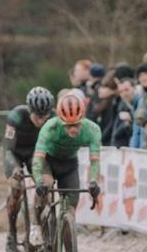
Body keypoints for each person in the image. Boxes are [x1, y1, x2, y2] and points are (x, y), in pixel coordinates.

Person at [31, 89, 102, 224]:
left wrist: (93, 181)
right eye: (68, 126)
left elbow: (95, 160)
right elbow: (38, 158)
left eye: (76, 125)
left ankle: (67, 236)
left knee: (70, 210)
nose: (73, 130)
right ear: (60, 121)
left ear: (83, 119)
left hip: (69, 164)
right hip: (49, 161)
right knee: (47, 184)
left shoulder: (93, 130)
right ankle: (36, 226)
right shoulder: (50, 127)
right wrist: (39, 181)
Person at [2, 87, 55, 252]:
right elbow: (8, 148)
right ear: (30, 110)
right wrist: (14, 168)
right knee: (17, 187)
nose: (41, 119)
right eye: (37, 116)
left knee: (45, 185)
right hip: (15, 153)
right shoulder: (16, 116)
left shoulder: (53, 118)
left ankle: (35, 227)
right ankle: (11, 233)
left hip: (35, 155)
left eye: (44, 115)